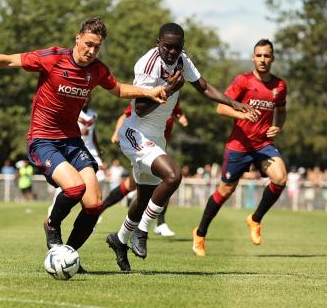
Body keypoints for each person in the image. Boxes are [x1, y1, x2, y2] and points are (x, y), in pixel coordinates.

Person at [0, 17, 170, 273]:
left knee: (94, 204)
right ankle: (51, 225)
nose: (91, 51)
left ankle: (68, 255)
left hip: (72, 141)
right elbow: (6, 60)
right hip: (43, 139)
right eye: (89, 44)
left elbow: (118, 90)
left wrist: (149, 92)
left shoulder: (97, 70)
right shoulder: (52, 58)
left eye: (97, 47)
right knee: (74, 188)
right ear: (78, 38)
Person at [106, 23, 254, 271]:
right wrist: (170, 88)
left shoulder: (182, 61)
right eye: (168, 47)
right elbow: (140, 108)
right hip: (136, 133)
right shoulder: (147, 64)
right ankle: (142, 231)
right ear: (158, 43)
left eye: (177, 47)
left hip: (157, 136)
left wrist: (233, 103)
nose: (172, 52)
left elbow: (204, 86)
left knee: (143, 196)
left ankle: (119, 240)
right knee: (174, 175)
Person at [192, 39, 288, 257]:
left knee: (280, 178)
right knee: (226, 191)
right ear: (253, 58)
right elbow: (220, 108)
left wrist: (277, 126)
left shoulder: (280, 86)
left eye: (267, 56)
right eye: (259, 55)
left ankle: (255, 219)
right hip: (239, 145)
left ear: (272, 58)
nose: (263, 59)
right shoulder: (243, 81)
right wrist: (241, 114)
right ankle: (200, 233)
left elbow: (281, 110)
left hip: (263, 144)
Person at [102, 100, 189, 237]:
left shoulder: (173, 97)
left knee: (136, 186)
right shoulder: (150, 94)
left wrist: (181, 116)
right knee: (162, 181)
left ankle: (152, 226)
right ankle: (156, 225)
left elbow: (177, 109)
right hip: (143, 148)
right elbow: (125, 115)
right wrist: (116, 133)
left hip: (158, 150)